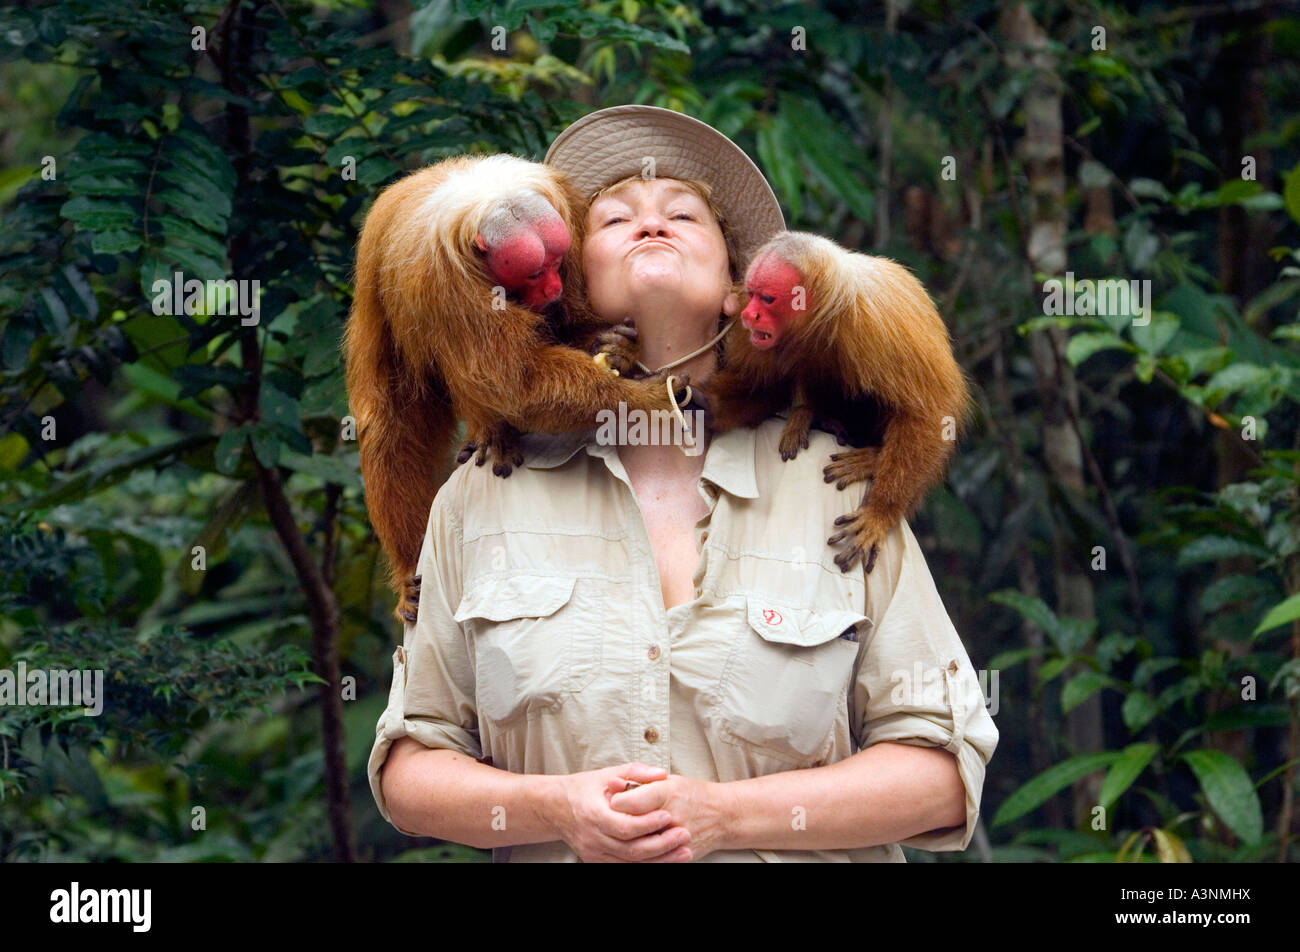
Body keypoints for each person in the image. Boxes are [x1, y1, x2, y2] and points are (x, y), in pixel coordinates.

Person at [367, 105, 998, 862]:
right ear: (569, 287)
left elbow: (943, 773)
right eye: (615, 217)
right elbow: (410, 770)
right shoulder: (482, 493)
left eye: (683, 213)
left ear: (740, 288)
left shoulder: (834, 485)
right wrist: (555, 808)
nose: (650, 222)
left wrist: (725, 818)